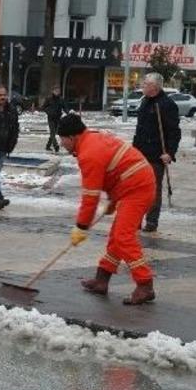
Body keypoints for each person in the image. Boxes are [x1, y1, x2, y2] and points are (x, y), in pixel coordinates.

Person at [58, 114, 157, 305]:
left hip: (138, 189)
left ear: (72, 137)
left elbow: (90, 197)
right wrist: (113, 199)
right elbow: (114, 169)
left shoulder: (89, 153)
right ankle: (102, 280)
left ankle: (145, 285)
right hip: (132, 185)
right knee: (117, 236)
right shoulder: (91, 139)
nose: (61, 143)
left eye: (62, 139)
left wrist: (81, 227)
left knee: (123, 237)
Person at [132, 73, 180, 233]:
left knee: (152, 189)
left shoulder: (166, 104)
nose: (142, 85)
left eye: (146, 83)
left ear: (155, 87)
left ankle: (152, 221)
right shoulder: (145, 101)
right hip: (139, 153)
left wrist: (170, 153)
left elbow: (174, 132)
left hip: (156, 154)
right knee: (136, 188)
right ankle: (135, 219)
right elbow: (139, 130)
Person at [41, 85, 66, 153]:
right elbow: (43, 107)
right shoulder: (49, 99)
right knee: (52, 132)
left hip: (58, 118)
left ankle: (48, 146)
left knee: (54, 133)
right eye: (55, 90)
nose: (57, 92)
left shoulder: (61, 99)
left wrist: (69, 112)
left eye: (58, 91)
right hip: (51, 118)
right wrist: (49, 112)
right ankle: (56, 146)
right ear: (53, 91)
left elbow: (65, 107)